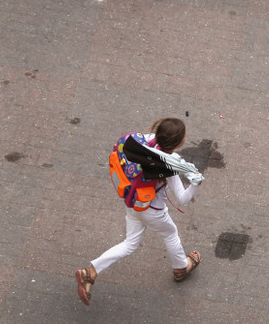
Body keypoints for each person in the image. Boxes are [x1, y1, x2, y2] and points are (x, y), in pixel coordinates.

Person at [75, 118, 202, 306]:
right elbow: (183, 199)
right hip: (153, 211)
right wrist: (196, 183)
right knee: (170, 233)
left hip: (133, 202)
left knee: (130, 243)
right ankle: (181, 269)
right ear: (179, 143)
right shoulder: (168, 168)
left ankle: (90, 272)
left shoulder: (144, 142)